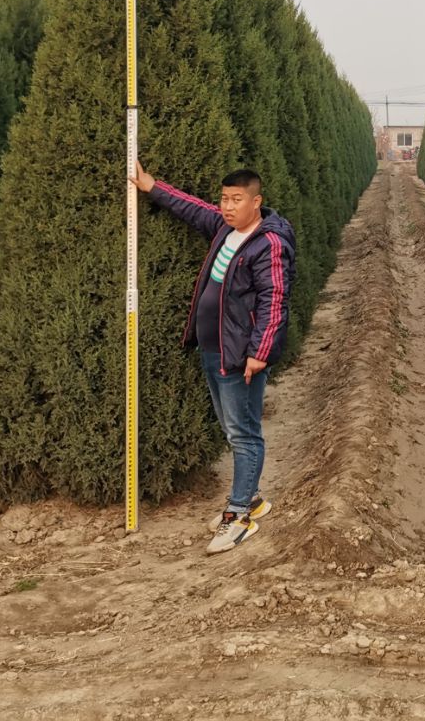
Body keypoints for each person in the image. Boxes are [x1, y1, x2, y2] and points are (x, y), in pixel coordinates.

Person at [131, 160, 296, 554]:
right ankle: (252, 499)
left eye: (236, 200)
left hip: (240, 355)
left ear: (256, 202)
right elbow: (193, 209)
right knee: (232, 428)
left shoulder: (268, 243)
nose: (227, 206)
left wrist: (260, 352)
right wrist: (152, 186)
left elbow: (276, 300)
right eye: (224, 198)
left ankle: (238, 515)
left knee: (244, 433)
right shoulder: (226, 229)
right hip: (213, 348)